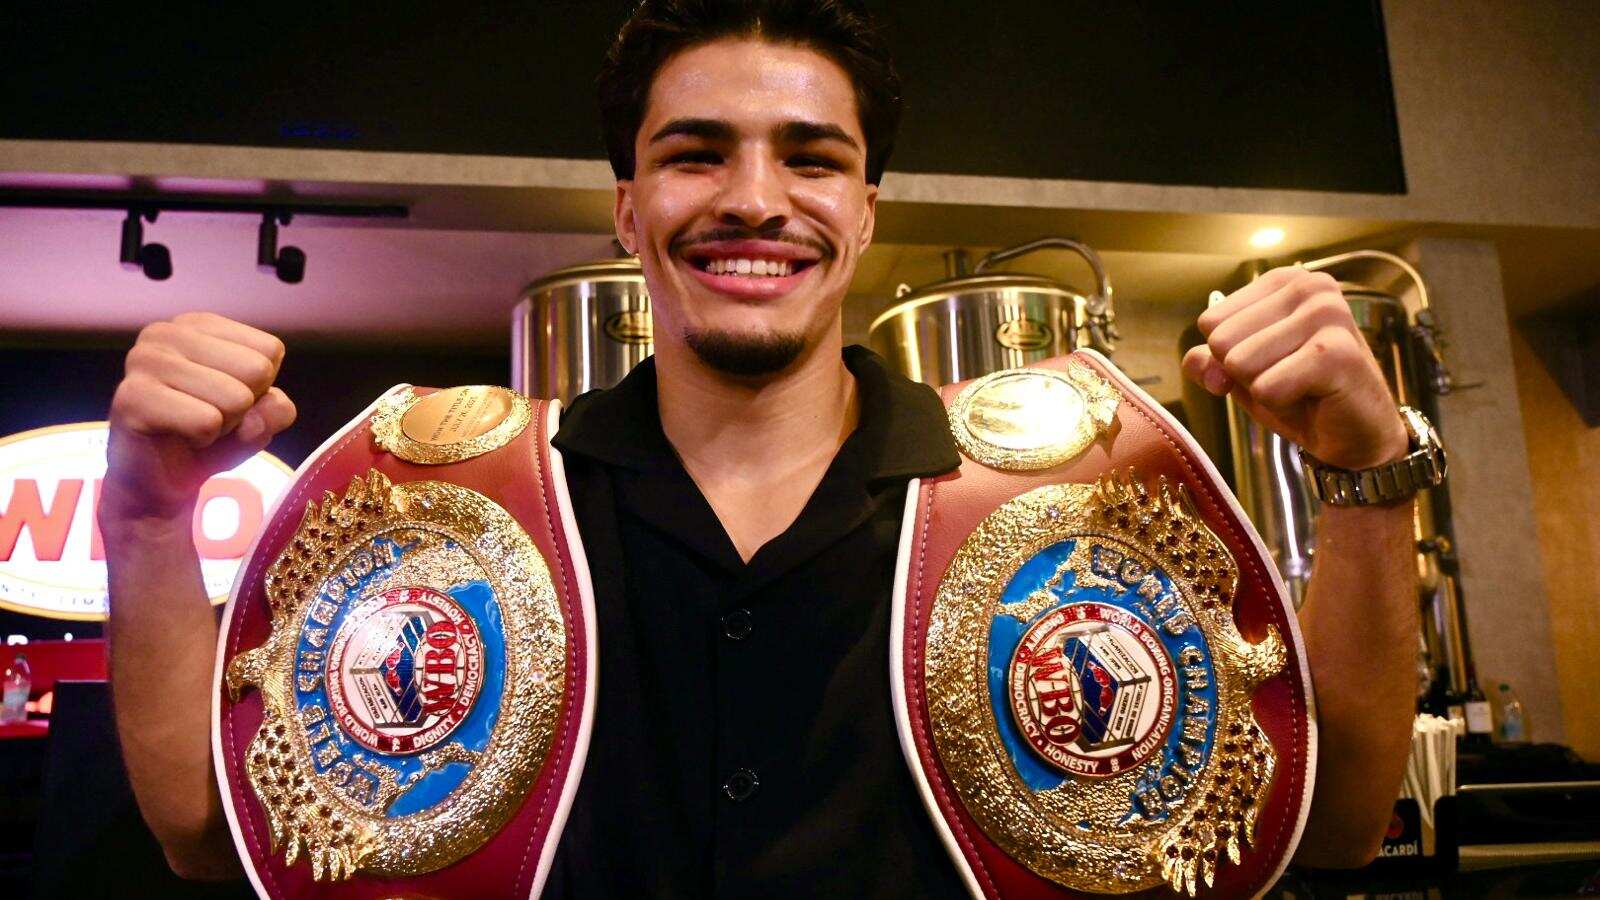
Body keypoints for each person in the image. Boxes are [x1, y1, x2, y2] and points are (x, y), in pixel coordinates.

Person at [100, 0, 1420, 895]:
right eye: (695, 154)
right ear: (630, 207)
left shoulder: (1077, 500)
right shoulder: (461, 507)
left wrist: (1365, 478)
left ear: (861, 208)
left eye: (810, 156)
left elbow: (1335, 818)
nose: (753, 198)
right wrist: (147, 519)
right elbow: (214, 836)